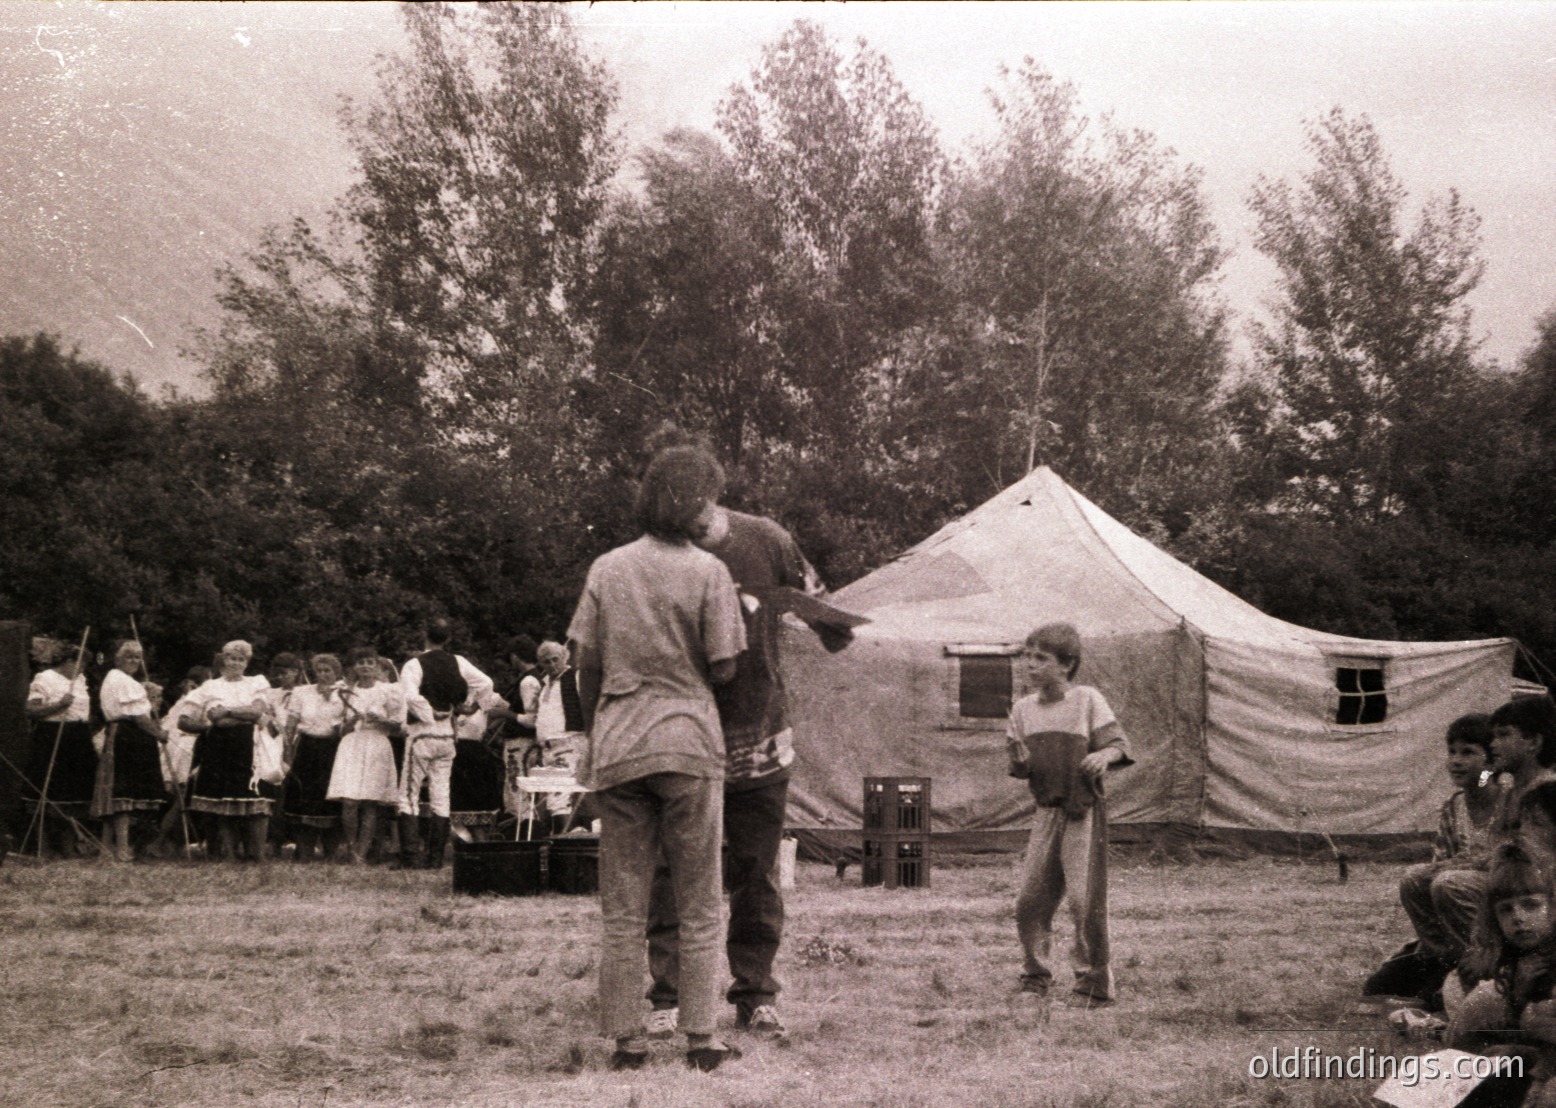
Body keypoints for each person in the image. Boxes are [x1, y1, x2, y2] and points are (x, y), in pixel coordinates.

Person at [568, 443, 747, 1071]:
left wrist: (593, 736)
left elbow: (584, 666)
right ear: (696, 503)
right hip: (688, 742)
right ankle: (702, 1037)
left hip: (618, 742)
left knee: (624, 903)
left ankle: (628, 1040)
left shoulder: (608, 567)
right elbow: (724, 664)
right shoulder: (708, 572)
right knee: (700, 898)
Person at [644, 472, 835, 1042]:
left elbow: (819, 609)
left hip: (759, 736)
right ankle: (669, 998)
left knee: (757, 870)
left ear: (710, 490)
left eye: (691, 505)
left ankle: (755, 995)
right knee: (671, 871)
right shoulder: (653, 555)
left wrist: (817, 621)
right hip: (681, 739)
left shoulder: (768, 539)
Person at [1004, 622, 1133, 1007]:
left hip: (1082, 813)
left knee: (1083, 901)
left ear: (1066, 665)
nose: (1030, 665)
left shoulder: (1086, 700)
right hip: (1046, 814)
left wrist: (1102, 755)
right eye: (1027, 656)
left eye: (1040, 658)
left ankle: (1095, 985)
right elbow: (1020, 769)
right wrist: (1018, 758)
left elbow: (1119, 745)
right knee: (1029, 902)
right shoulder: (1022, 710)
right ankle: (1035, 977)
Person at [1379, 715, 1503, 1000]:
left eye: (1468, 752)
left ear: (1491, 761)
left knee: (1448, 883)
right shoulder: (1455, 806)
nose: (1456, 761)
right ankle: (1445, 965)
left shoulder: (1506, 800)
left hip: (1495, 890)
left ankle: (1484, 969)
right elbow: (1442, 857)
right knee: (1414, 878)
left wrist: (1464, 865)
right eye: (1452, 752)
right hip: (1457, 891)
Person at [1446, 842, 1554, 1105]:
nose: (1518, 917)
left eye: (1531, 905)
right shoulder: (1509, 962)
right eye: (1506, 909)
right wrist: (1517, 996)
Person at [398, 621, 504, 868]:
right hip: (447, 736)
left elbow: (411, 696)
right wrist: (471, 706)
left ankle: (411, 858)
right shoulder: (458, 661)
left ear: (424, 635)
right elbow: (486, 683)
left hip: (423, 733)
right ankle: (434, 859)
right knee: (441, 794)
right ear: (447, 639)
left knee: (409, 795)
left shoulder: (414, 664)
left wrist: (429, 713)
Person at [181, 641, 273, 861]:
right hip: (219, 746)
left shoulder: (257, 682)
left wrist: (227, 711)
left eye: (241, 659)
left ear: (247, 662)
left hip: (252, 745)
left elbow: (258, 710)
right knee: (223, 800)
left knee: (256, 799)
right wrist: (211, 724)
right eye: (232, 658)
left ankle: (257, 854)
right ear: (223, 659)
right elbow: (185, 721)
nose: (236, 663)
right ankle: (228, 853)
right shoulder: (210, 687)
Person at [327, 647, 406, 864]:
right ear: (353, 667)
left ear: (376, 666)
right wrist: (352, 721)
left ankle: (361, 852)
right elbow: (339, 731)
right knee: (350, 801)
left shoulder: (388, 691)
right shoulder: (343, 692)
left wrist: (380, 720)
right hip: (351, 745)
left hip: (377, 745)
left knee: (370, 802)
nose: (365, 667)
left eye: (369, 662)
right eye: (360, 662)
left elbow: (399, 726)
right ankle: (352, 847)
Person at [94, 640, 170, 862]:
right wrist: (159, 734)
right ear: (117, 658)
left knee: (119, 795)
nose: (134, 661)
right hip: (129, 736)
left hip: (124, 734)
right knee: (123, 795)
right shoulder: (122, 680)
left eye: (138, 656)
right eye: (129, 656)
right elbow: (139, 717)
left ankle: (107, 849)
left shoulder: (118, 679)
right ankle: (122, 849)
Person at [23, 637, 96, 857]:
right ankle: (42, 847)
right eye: (78, 662)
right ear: (65, 661)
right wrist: (58, 705)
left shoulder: (81, 680)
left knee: (74, 794)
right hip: (54, 735)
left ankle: (68, 846)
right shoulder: (45, 678)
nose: (81, 668)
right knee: (49, 791)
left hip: (78, 737)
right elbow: (31, 710)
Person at [281, 653, 347, 863]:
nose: (323, 674)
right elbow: (291, 724)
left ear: (336, 672)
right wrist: (287, 751)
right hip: (306, 748)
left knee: (330, 799)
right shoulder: (301, 692)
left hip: (333, 749)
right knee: (303, 798)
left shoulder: (344, 693)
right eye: (319, 670)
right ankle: (304, 850)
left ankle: (330, 852)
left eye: (328, 670)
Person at [532, 640, 586, 835]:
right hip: (547, 748)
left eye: (556, 660)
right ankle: (557, 844)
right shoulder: (545, 684)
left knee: (558, 797)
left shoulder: (574, 678)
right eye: (547, 662)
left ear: (565, 657)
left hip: (568, 743)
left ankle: (563, 848)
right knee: (550, 800)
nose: (552, 665)